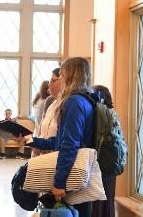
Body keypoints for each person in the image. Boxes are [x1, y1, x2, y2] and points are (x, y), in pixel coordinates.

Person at [22, 57, 97, 217]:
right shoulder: (86, 99)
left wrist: (59, 182)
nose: (60, 79)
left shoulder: (74, 102)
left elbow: (69, 145)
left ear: (70, 77)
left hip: (72, 172)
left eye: (62, 75)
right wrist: (34, 141)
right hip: (79, 170)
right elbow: (61, 140)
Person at [91, 85, 116, 217]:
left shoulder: (99, 116)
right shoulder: (112, 114)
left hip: (100, 164)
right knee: (108, 203)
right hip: (110, 165)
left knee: (97, 205)